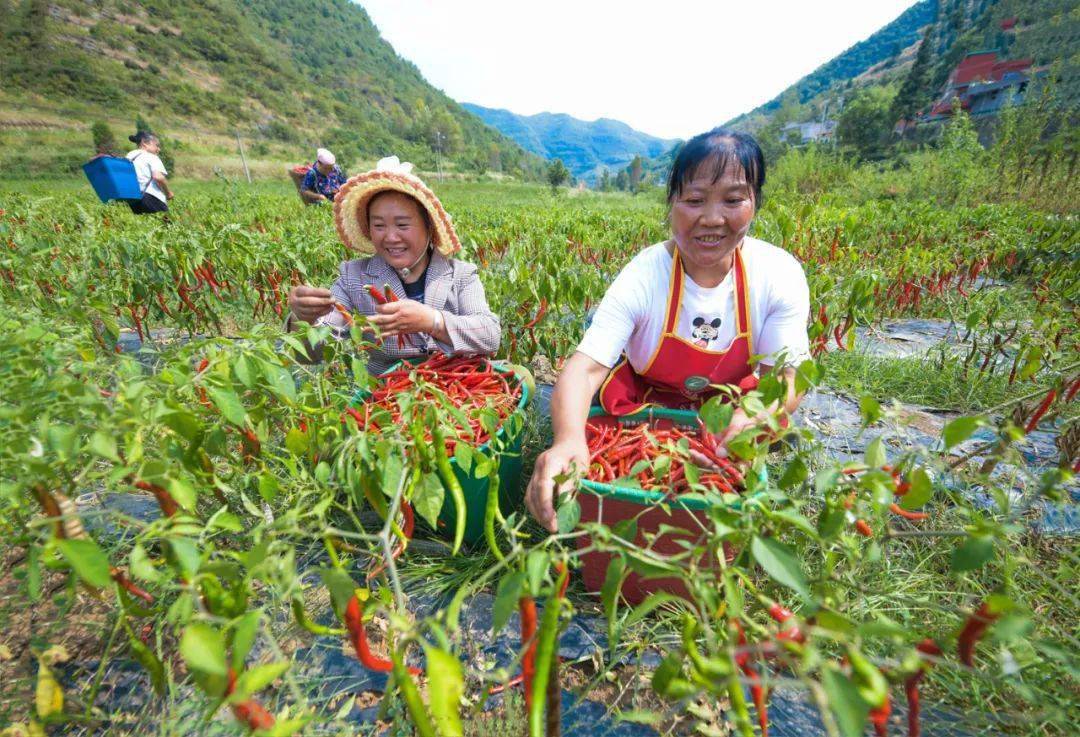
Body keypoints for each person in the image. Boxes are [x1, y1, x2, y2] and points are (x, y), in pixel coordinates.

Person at [525, 127, 811, 532]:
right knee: (600, 449)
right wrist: (568, 438)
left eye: (733, 199)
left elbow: (787, 375)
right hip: (645, 407)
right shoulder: (645, 273)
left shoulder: (777, 274)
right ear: (671, 204)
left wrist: (758, 414)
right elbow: (587, 367)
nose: (712, 219)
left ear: (755, 204)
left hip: (727, 412)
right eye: (694, 200)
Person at [287, 156, 500, 375]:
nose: (390, 237)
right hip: (386, 397)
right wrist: (302, 320)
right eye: (379, 225)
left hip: (456, 388)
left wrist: (432, 321)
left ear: (428, 227)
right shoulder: (354, 277)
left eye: (402, 224)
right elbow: (314, 356)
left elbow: (490, 335)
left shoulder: (460, 275)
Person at [125, 132, 173, 214]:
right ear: (144, 143)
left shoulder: (129, 156)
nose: (159, 149)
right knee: (167, 225)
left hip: (133, 199)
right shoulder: (152, 157)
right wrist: (168, 193)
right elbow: (158, 177)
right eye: (156, 145)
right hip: (153, 197)